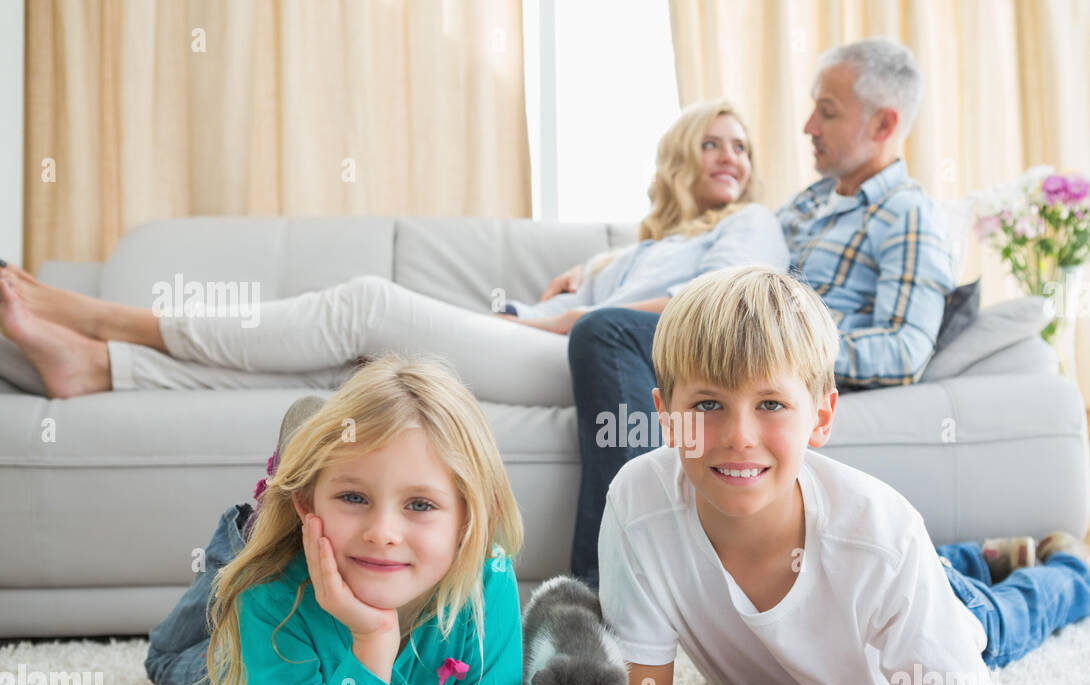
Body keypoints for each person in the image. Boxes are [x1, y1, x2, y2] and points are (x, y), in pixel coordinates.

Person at [599, 266, 1090, 685]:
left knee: (1003, 618)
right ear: (664, 415)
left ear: (821, 416)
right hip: (879, 587)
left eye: (772, 405)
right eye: (708, 405)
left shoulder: (880, 533)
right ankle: (975, 556)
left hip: (922, 618)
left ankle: (1078, 572)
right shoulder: (637, 503)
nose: (740, 436)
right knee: (937, 572)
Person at [0, 100, 788, 407]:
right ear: (680, 155)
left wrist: (570, 315)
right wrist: (576, 285)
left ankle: (104, 315)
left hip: (588, 362)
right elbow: (622, 285)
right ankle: (102, 369)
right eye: (712, 143)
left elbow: (716, 311)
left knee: (364, 306)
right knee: (355, 373)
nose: (731, 158)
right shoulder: (641, 246)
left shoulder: (750, 225)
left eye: (742, 147)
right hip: (541, 335)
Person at [568, 37, 953, 585]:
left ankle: (602, 585)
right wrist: (591, 273)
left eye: (827, 112)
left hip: (772, 365)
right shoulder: (808, 203)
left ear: (884, 124)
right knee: (607, 327)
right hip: (736, 351)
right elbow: (722, 252)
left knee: (607, 333)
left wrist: (790, 352)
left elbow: (905, 350)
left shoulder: (909, 216)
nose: (807, 128)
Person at [189, 354, 526, 685]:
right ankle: (235, 533)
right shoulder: (270, 595)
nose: (382, 532)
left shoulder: (490, 581)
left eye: (421, 504)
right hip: (247, 675)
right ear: (308, 503)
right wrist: (374, 640)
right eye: (353, 497)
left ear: (473, 518)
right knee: (181, 662)